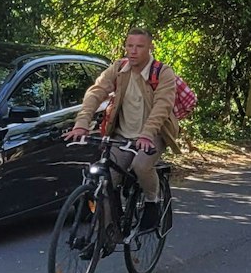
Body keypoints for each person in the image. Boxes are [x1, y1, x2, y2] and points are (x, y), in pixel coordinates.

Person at [65, 28, 182, 234]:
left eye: (139, 46)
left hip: (154, 132)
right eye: (130, 46)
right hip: (122, 133)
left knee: (141, 165)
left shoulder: (163, 73)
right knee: (107, 177)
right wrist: (82, 123)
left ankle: (152, 202)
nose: (133, 51)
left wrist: (147, 134)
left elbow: (162, 106)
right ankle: (108, 233)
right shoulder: (119, 69)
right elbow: (95, 93)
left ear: (150, 47)